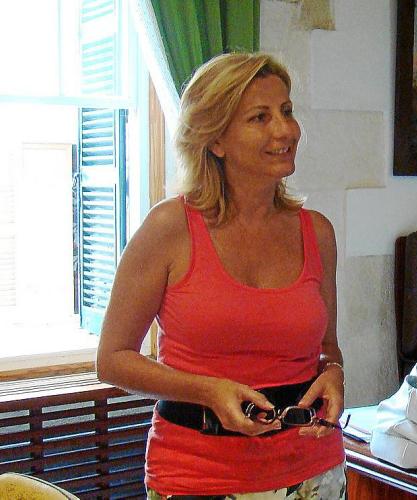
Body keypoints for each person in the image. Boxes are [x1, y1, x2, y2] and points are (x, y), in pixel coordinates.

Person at [96, 52, 347, 499]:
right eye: (260, 117)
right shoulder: (170, 228)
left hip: (313, 472)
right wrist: (208, 391)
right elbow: (112, 359)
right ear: (215, 140)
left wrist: (335, 371)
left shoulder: (318, 233)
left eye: (286, 111)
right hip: (197, 477)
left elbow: (327, 348)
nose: (285, 130)